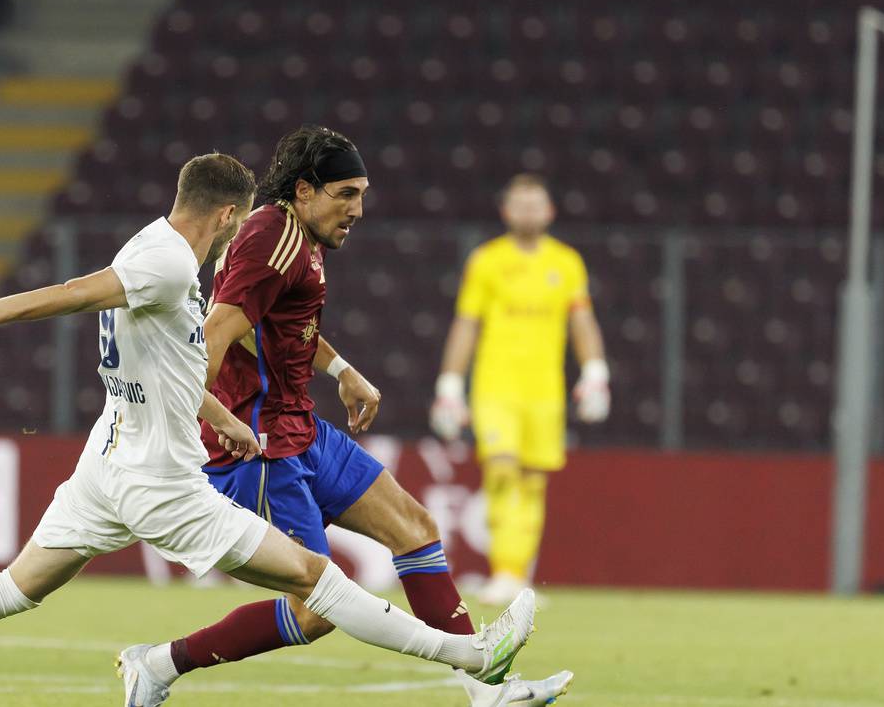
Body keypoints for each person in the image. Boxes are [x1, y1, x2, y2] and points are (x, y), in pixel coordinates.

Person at [0, 153, 536, 707]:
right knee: (319, 582)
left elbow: (172, 367)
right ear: (226, 216)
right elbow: (69, 293)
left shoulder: (157, 249)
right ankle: (473, 660)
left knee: (14, 586)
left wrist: (220, 416)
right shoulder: (161, 263)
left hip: (108, 458)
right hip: (158, 481)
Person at [136, 127, 572, 707]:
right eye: (346, 194)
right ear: (305, 190)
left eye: (362, 194)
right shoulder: (272, 240)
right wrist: (211, 423)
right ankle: (161, 664)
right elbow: (214, 334)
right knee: (314, 613)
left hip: (303, 428)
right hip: (262, 445)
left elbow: (283, 324)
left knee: (414, 530)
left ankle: (484, 691)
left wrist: (340, 368)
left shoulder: (297, 234)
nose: (357, 210)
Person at [431, 173, 611, 606]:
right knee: (503, 471)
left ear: (549, 211)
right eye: (520, 203)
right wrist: (450, 384)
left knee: (532, 483)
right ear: (506, 211)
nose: (528, 210)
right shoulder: (486, 261)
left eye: (536, 203)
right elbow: (467, 323)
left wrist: (595, 372)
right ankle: (504, 574)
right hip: (497, 388)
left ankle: (516, 574)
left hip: (545, 393)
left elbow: (581, 320)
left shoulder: (567, 262)